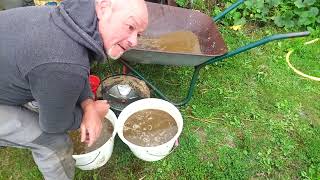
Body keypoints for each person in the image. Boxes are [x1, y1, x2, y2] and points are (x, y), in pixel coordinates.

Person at [0, 0, 148, 179]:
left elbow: (74, 67)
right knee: (53, 142)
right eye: (130, 26)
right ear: (103, 8)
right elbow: (53, 125)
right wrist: (96, 113)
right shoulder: (63, 62)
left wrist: (88, 105)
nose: (134, 41)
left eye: (139, 34)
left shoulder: (71, 19)